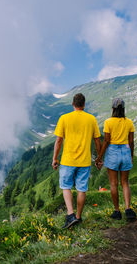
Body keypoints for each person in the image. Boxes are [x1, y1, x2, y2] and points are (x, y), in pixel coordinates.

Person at [52, 93, 101, 228]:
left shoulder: (64, 118)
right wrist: (98, 157)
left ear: (73, 104)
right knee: (81, 189)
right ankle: (78, 217)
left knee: (66, 187)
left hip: (68, 160)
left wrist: (55, 158)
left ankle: (70, 214)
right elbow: (97, 140)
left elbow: (59, 140)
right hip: (84, 161)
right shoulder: (91, 119)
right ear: (84, 105)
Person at [96, 98, 136, 220]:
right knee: (125, 183)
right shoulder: (129, 122)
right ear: (123, 109)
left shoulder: (108, 122)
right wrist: (131, 155)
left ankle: (117, 211)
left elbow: (107, 141)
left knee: (113, 184)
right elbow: (131, 141)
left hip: (112, 152)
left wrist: (99, 157)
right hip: (125, 151)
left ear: (113, 109)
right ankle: (128, 209)